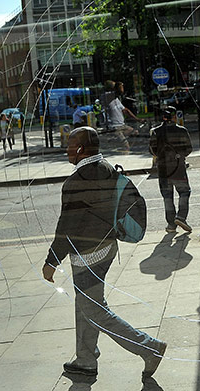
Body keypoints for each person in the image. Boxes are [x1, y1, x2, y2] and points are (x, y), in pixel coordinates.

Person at [42, 127, 167, 381]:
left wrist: (50, 262)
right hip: (108, 248)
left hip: (88, 256)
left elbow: (65, 228)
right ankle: (85, 359)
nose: (66, 149)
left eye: (70, 145)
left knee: (96, 311)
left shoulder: (75, 183)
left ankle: (150, 348)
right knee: (86, 304)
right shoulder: (107, 168)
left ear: (80, 150)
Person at [149, 106, 193, 233]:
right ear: (174, 116)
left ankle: (171, 225)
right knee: (184, 192)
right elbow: (188, 148)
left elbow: (152, 150)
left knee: (167, 197)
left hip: (163, 169)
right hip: (178, 168)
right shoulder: (182, 131)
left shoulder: (156, 132)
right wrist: (179, 156)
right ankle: (181, 217)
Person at [107, 81, 144, 151]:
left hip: (122, 126)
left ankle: (123, 148)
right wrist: (119, 86)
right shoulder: (108, 98)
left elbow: (125, 110)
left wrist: (138, 119)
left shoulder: (117, 100)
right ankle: (125, 150)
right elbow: (120, 91)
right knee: (125, 145)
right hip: (114, 127)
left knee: (135, 132)